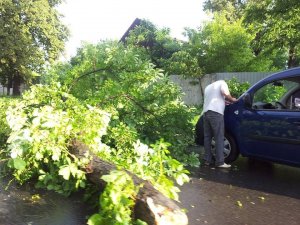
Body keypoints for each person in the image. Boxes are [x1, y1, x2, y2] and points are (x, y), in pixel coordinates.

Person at [202, 80, 237, 168]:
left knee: (207, 137)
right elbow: (225, 93)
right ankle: (220, 162)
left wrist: (225, 102)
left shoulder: (208, 87)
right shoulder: (222, 82)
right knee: (219, 137)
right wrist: (232, 99)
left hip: (206, 113)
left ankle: (207, 160)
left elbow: (214, 99)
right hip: (216, 113)